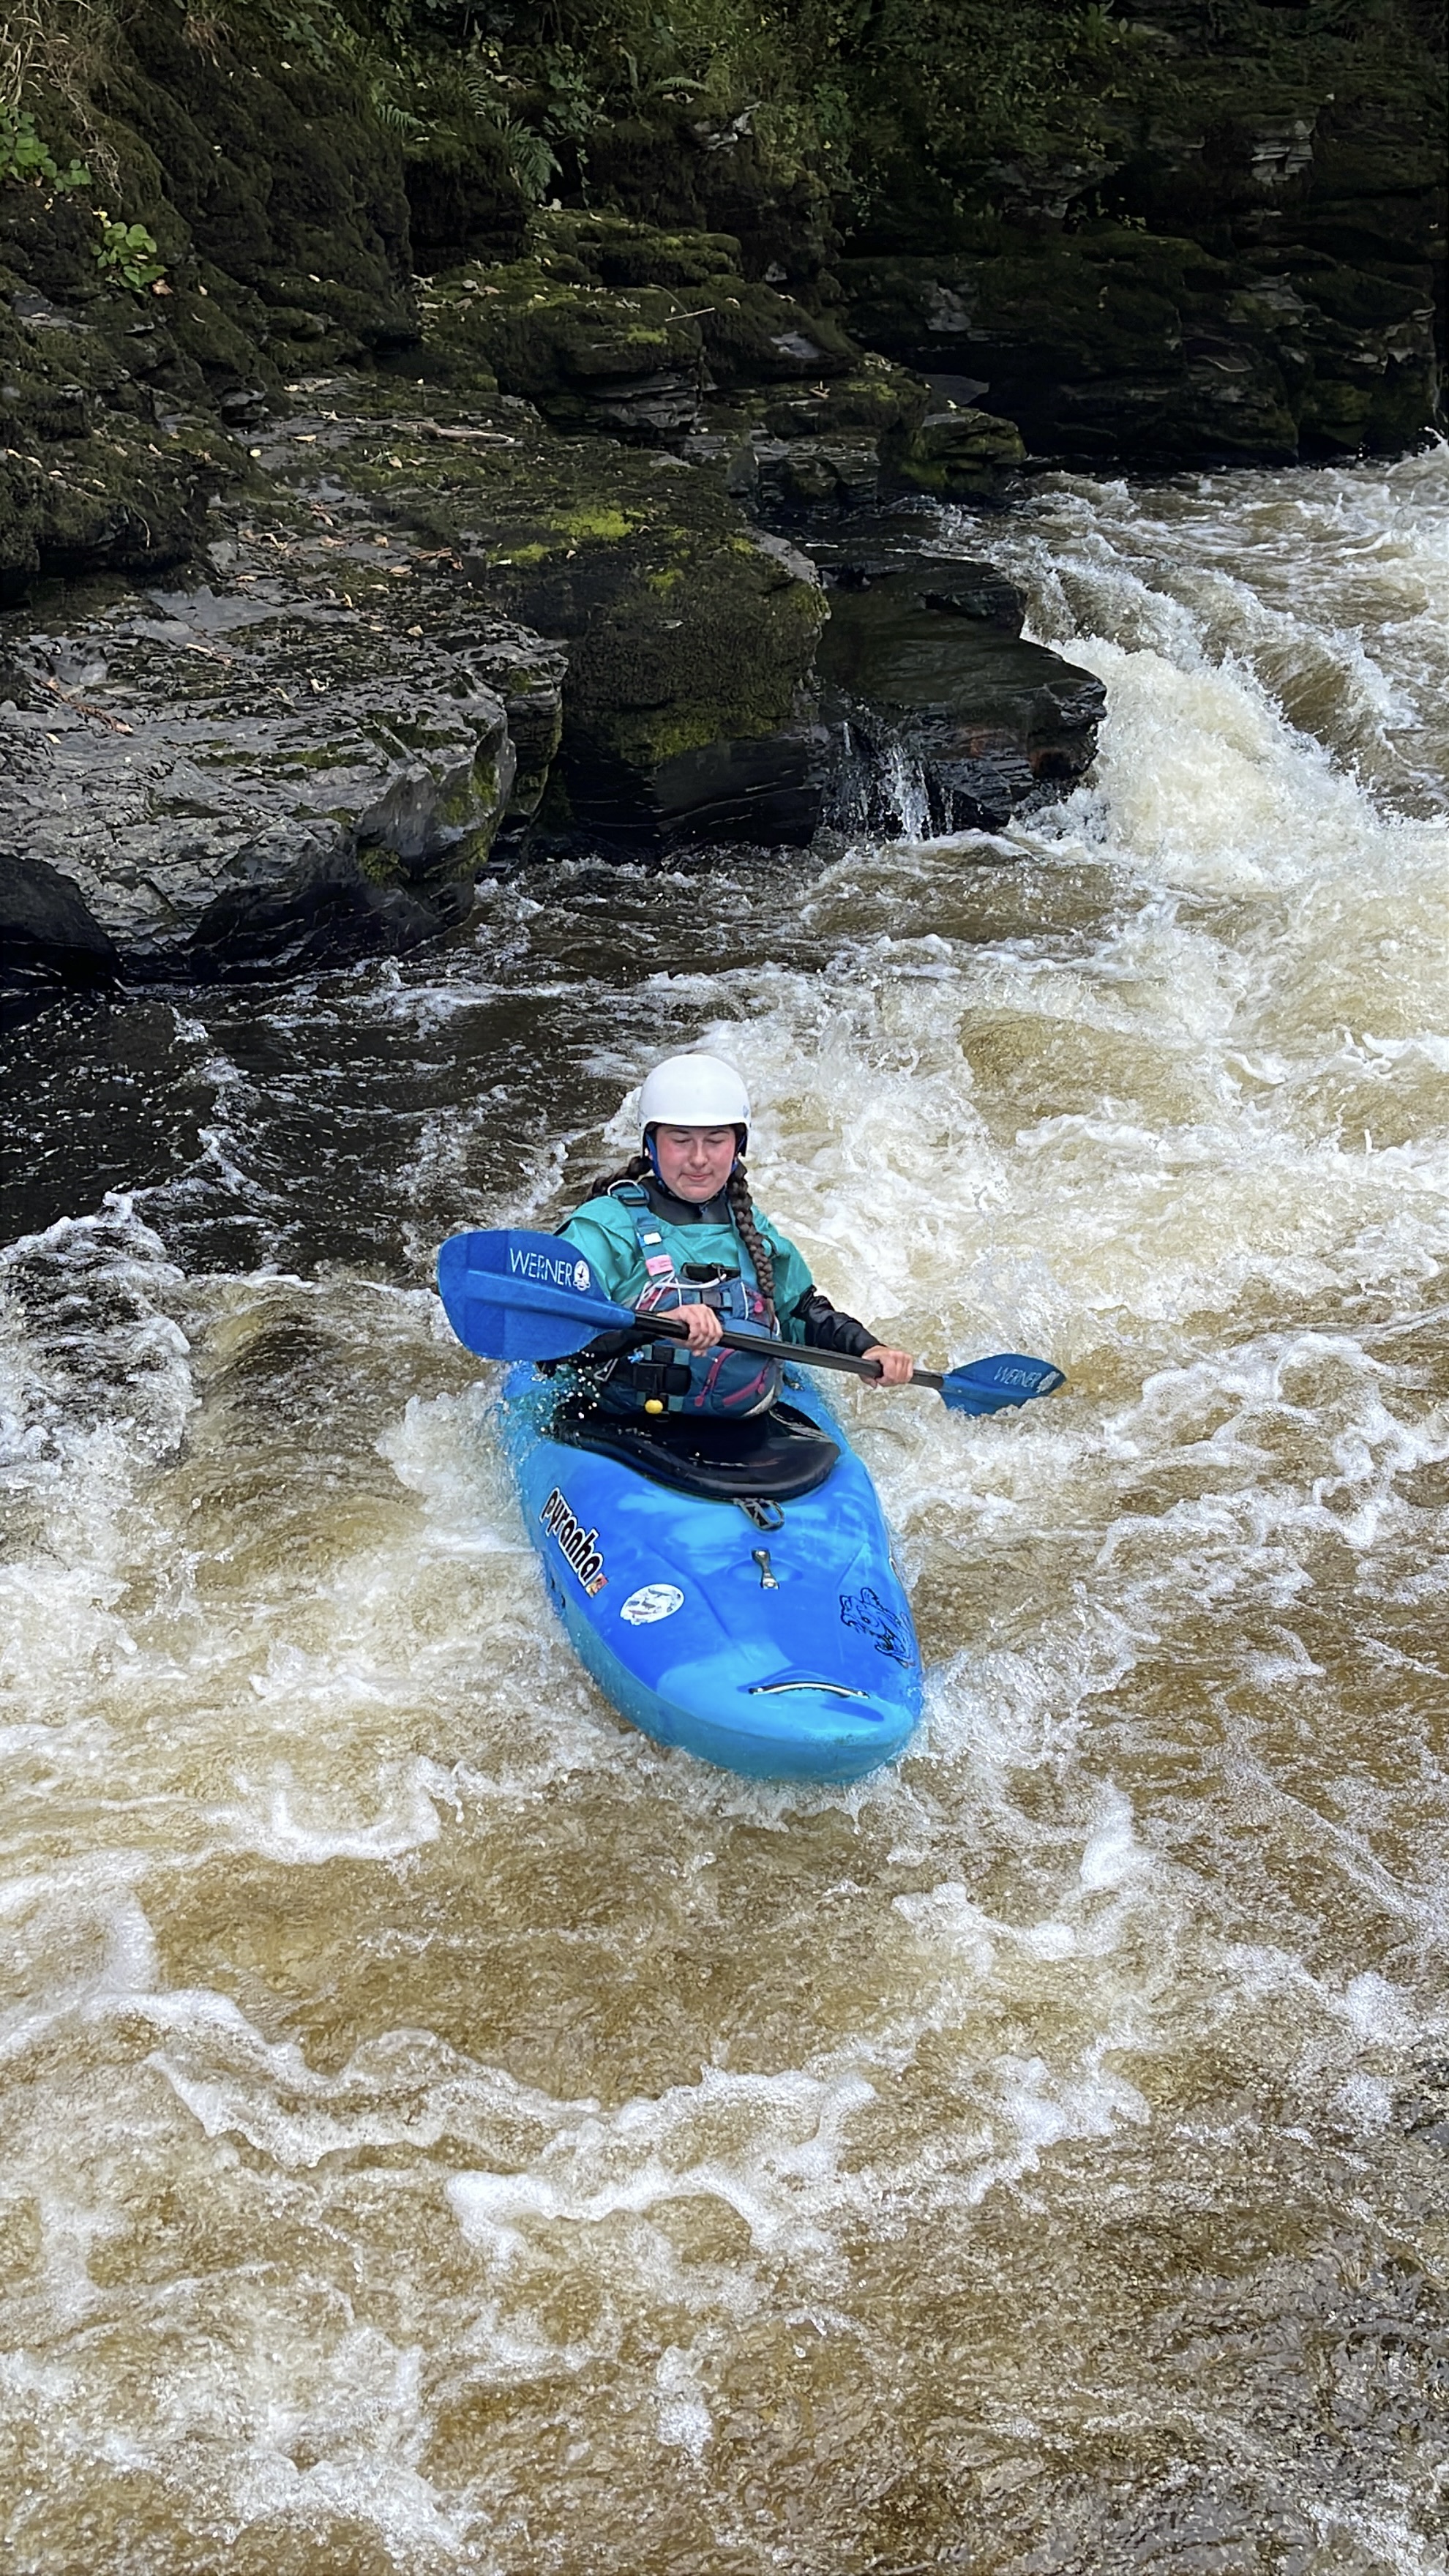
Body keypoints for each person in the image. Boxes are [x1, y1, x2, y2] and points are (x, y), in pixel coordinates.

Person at [559, 1051, 914, 1423]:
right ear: (651, 1144)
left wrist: (867, 1349)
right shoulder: (602, 1227)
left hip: (744, 1424)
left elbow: (801, 1312)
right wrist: (654, 1321)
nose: (699, 1159)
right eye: (680, 1140)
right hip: (621, 1418)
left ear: (737, 1147)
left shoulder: (750, 1227)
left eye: (715, 1141)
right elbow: (557, 1341)